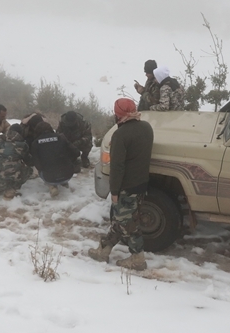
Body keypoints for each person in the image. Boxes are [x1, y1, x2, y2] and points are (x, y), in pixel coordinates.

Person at [87, 97, 154, 270]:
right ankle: (104, 250)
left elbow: (117, 167)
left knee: (129, 224)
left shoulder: (121, 135)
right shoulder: (146, 128)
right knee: (121, 219)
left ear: (118, 115)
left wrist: (114, 191)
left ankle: (138, 259)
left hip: (127, 187)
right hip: (142, 184)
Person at [0, 124, 33, 199]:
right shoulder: (22, 145)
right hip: (4, 180)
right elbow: (29, 162)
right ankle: (10, 192)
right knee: (29, 170)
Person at [29, 119, 81, 197]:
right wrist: (69, 160)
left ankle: (52, 186)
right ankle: (64, 182)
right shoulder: (61, 137)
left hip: (48, 177)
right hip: (68, 174)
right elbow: (77, 152)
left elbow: (38, 166)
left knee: (41, 168)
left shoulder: (35, 143)